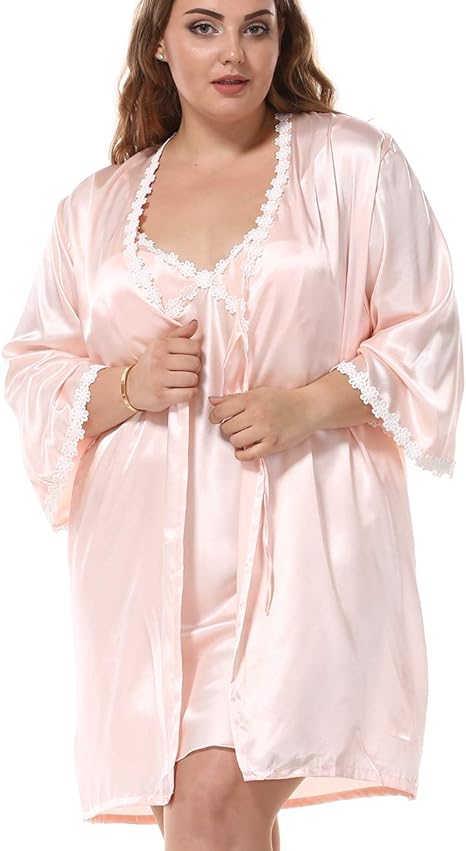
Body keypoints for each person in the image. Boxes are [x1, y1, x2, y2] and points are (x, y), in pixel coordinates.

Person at [2, 1, 464, 849]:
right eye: (204, 26)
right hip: (147, 577)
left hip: (306, 545)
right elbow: (32, 369)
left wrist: (305, 405)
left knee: (214, 806)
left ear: (283, 40)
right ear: (160, 43)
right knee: (209, 819)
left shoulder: (352, 164)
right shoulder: (94, 209)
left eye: (257, 27)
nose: (233, 54)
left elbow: (425, 332)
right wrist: (130, 384)